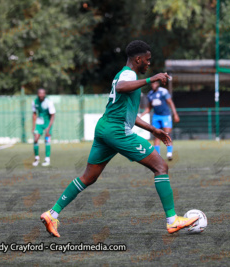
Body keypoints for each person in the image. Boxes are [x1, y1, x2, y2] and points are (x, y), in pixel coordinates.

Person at [40, 40, 198, 237]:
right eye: (147, 61)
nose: (149, 64)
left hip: (105, 128)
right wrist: (151, 80)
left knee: (88, 177)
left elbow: (129, 113)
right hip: (116, 132)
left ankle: (51, 213)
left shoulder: (124, 75)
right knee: (161, 167)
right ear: (138, 59)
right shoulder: (128, 74)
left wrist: (153, 129)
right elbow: (123, 86)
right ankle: (172, 220)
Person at [141, 81, 180, 160]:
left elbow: (170, 102)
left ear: (158, 84)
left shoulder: (163, 91)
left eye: (155, 83)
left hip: (165, 115)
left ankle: (169, 154)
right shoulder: (150, 94)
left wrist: (175, 114)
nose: (154, 85)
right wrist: (141, 115)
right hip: (156, 116)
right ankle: (157, 155)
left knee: (167, 134)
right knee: (156, 136)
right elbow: (149, 108)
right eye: (152, 83)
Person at [32, 88, 56, 167]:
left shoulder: (49, 102)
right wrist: (33, 126)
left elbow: (52, 115)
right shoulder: (35, 102)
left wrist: (49, 128)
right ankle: (36, 158)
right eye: (40, 93)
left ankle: (47, 159)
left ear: (45, 94)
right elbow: (34, 114)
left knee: (47, 140)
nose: (41, 95)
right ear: (37, 94)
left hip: (47, 123)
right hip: (39, 123)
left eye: (43, 93)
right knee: (35, 139)